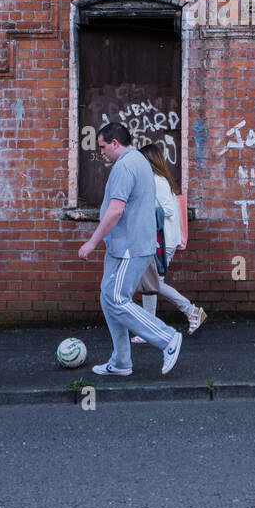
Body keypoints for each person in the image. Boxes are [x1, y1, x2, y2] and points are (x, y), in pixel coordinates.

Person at [77, 122, 181, 377]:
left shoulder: (125, 166)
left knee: (116, 299)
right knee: (108, 297)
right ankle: (122, 361)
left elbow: (115, 210)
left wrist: (91, 242)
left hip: (129, 247)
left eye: (103, 146)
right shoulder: (139, 161)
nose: (101, 152)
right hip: (124, 245)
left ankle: (167, 338)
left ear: (115, 143)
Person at [130, 142, 207, 341]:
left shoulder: (158, 181)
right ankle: (151, 328)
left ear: (149, 161)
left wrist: (142, 212)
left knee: (152, 283)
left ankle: (191, 311)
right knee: (149, 285)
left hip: (163, 241)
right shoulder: (156, 180)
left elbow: (168, 210)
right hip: (160, 240)